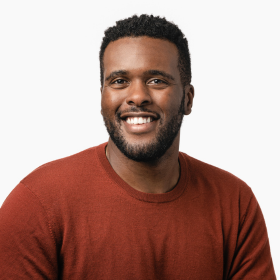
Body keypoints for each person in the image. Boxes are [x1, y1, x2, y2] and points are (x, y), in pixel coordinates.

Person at [0, 14, 276, 279]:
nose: (137, 97)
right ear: (103, 97)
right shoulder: (37, 203)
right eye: (119, 81)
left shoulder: (235, 202)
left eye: (156, 80)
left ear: (188, 99)